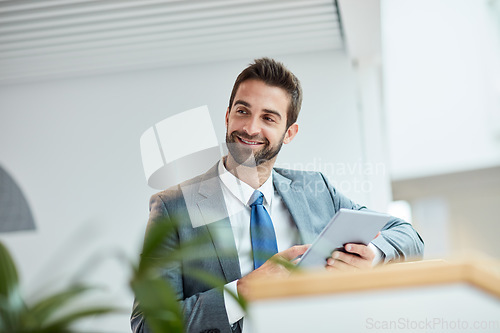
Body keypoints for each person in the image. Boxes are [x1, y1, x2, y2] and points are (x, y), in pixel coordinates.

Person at [131, 58, 424, 333]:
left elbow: (408, 235)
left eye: (269, 118)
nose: (250, 127)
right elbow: (148, 323)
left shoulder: (317, 191)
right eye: (242, 111)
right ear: (227, 116)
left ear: (290, 132)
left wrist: (372, 257)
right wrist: (244, 290)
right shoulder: (174, 206)